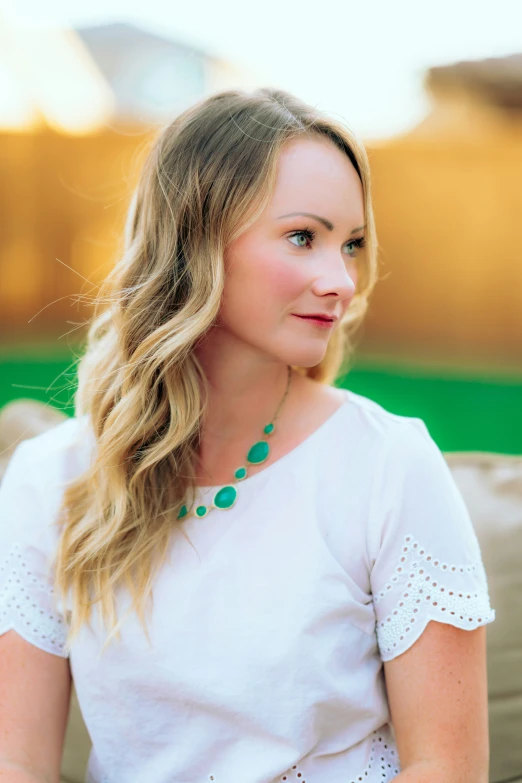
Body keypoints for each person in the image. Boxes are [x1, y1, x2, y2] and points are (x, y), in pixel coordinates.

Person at [0, 87, 495, 783]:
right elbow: (14, 762)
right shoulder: (49, 478)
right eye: (303, 237)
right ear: (194, 240)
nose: (341, 281)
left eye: (350, 245)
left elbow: (447, 768)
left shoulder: (389, 464)